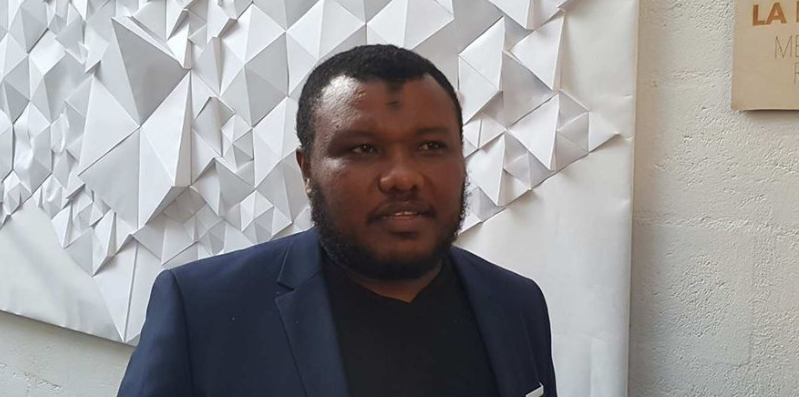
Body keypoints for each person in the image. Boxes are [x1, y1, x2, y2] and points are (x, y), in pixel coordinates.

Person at [117, 44, 557, 397]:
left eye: (430, 147)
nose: (403, 176)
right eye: (363, 149)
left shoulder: (517, 304)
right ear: (307, 170)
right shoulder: (203, 310)